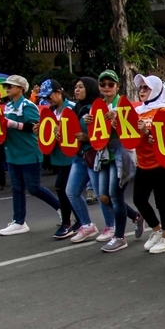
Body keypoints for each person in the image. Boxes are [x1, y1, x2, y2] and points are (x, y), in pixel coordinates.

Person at [88, 70, 144, 252]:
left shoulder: (123, 105)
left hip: (121, 154)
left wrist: (118, 119)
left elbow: (133, 130)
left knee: (114, 194)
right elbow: (95, 132)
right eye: (102, 84)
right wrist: (87, 121)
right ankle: (135, 216)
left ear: (117, 86)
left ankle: (119, 237)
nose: (106, 87)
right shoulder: (97, 106)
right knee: (103, 196)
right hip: (104, 154)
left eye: (110, 84)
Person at [0, 75, 61, 235]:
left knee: (34, 188)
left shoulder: (28, 105)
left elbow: (34, 127)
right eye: (6, 86)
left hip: (29, 152)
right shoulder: (7, 106)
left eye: (10, 86)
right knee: (17, 189)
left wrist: (12, 124)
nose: (7, 89)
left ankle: (62, 209)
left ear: (21, 88)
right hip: (13, 152)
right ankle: (19, 221)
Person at [131, 74, 165, 254]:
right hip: (143, 163)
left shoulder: (163, 111)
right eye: (140, 88)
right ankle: (156, 230)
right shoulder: (137, 110)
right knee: (138, 199)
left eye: (146, 88)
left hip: (160, 164)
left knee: (161, 202)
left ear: (156, 90)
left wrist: (147, 132)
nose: (142, 91)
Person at [65, 77, 109, 243]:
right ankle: (87, 225)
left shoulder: (96, 108)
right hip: (79, 157)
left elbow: (104, 134)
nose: (77, 90)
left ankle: (111, 226)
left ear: (89, 89)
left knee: (101, 195)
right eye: (76, 87)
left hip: (93, 156)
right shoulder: (74, 109)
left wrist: (87, 138)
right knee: (71, 192)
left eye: (81, 87)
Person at [37, 80, 81, 239]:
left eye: (49, 96)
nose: (48, 100)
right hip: (58, 155)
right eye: (45, 98)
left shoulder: (72, 108)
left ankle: (70, 222)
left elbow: (78, 128)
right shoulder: (50, 111)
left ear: (58, 92)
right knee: (66, 189)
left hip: (72, 155)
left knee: (62, 187)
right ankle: (78, 220)